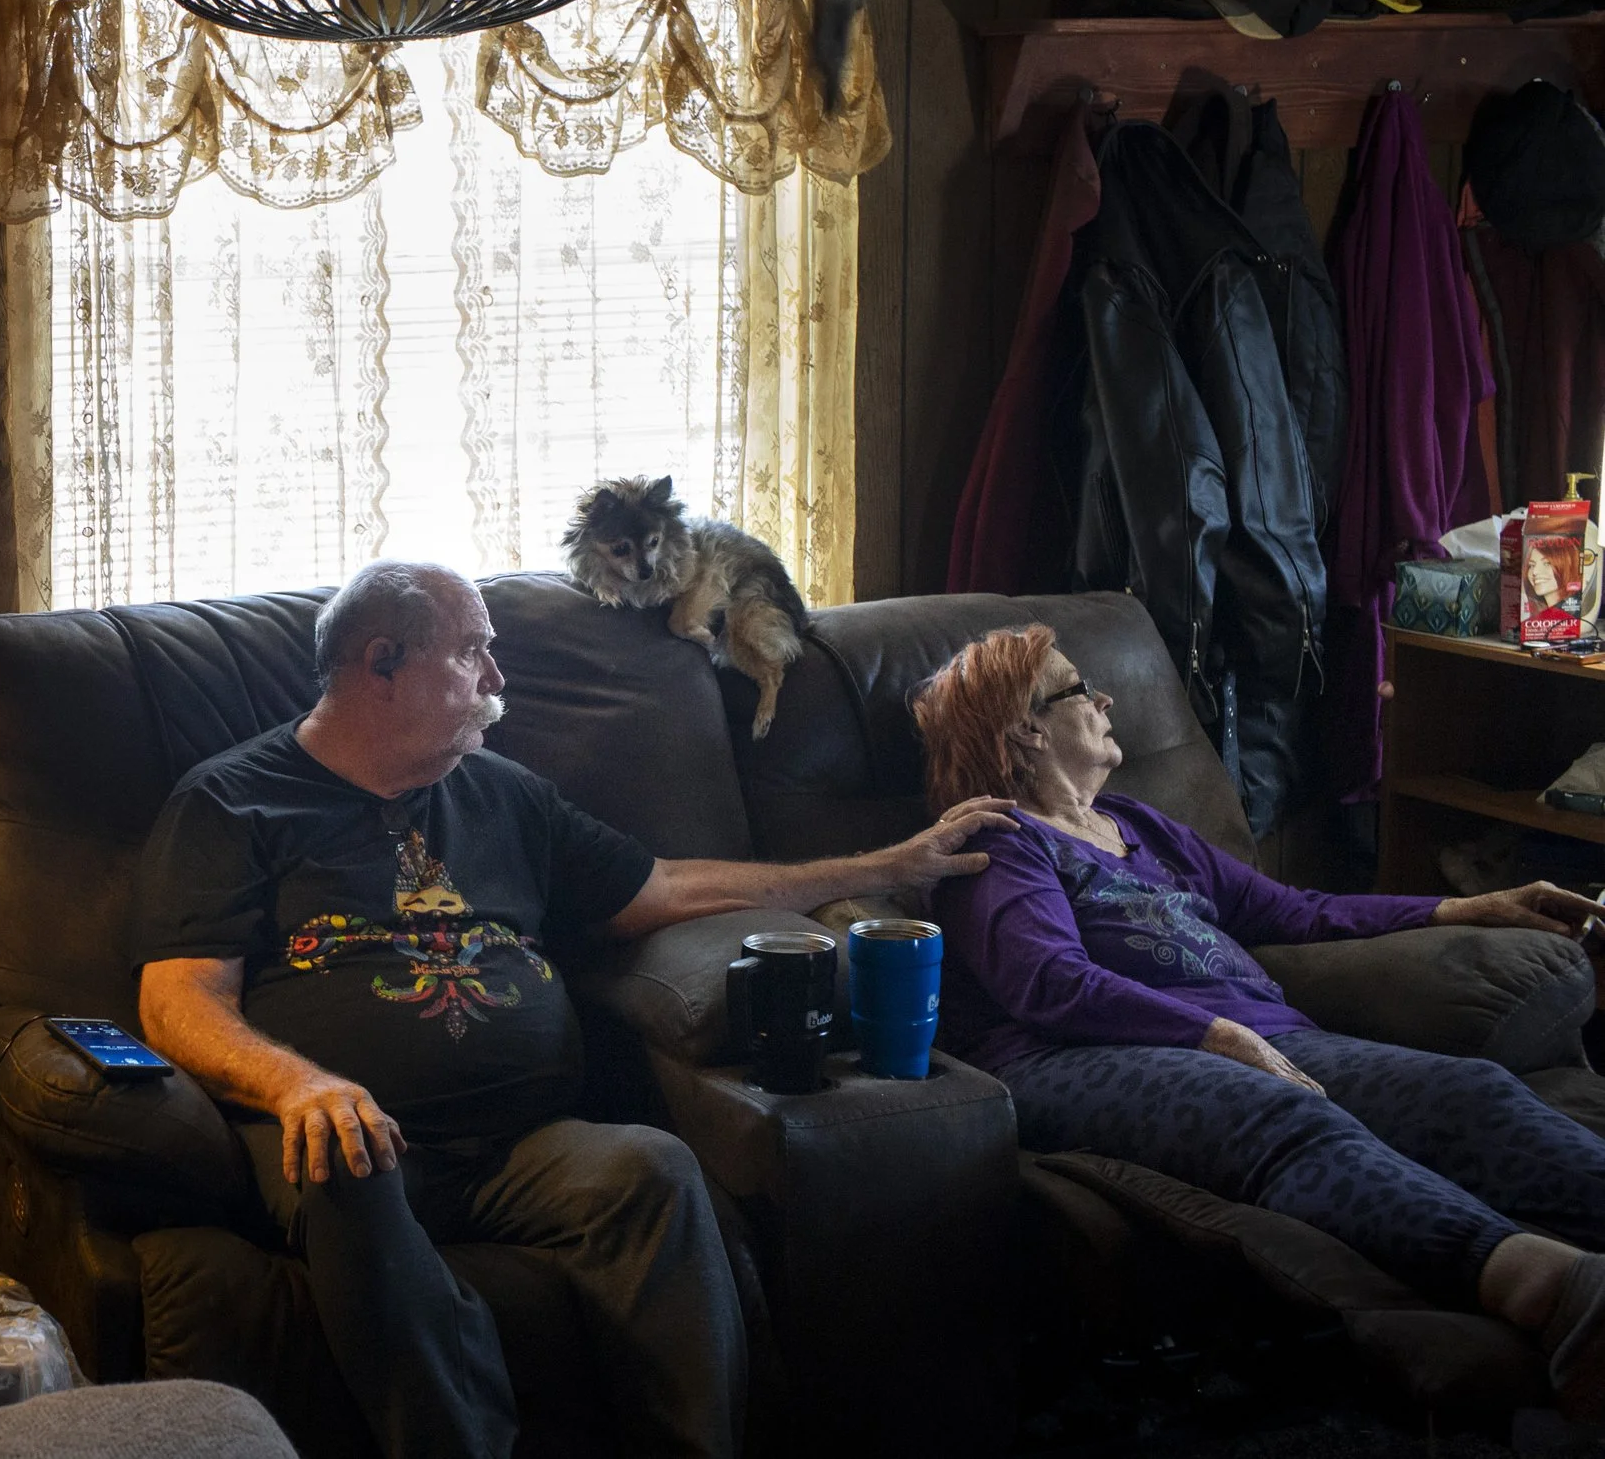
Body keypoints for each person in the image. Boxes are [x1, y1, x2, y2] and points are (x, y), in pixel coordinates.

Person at [132, 561, 1015, 1459]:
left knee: (651, 1168)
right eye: (474, 652)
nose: (497, 679)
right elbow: (177, 999)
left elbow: (665, 887)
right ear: (383, 662)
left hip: (521, 1140)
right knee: (349, 1160)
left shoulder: (502, 792)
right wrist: (300, 1086)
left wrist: (884, 866)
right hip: (357, 1142)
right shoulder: (234, 799)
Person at [910, 624, 1605, 1414]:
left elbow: (1296, 910)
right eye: (1078, 687)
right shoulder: (1000, 843)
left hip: (1259, 1035)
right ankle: (1559, 1293)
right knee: (1281, 1110)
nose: (1104, 699)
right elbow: (1050, 983)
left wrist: (1468, 905)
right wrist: (1214, 1033)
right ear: (1026, 728)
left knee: (1470, 1091)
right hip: (1076, 1054)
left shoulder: (1140, 824)